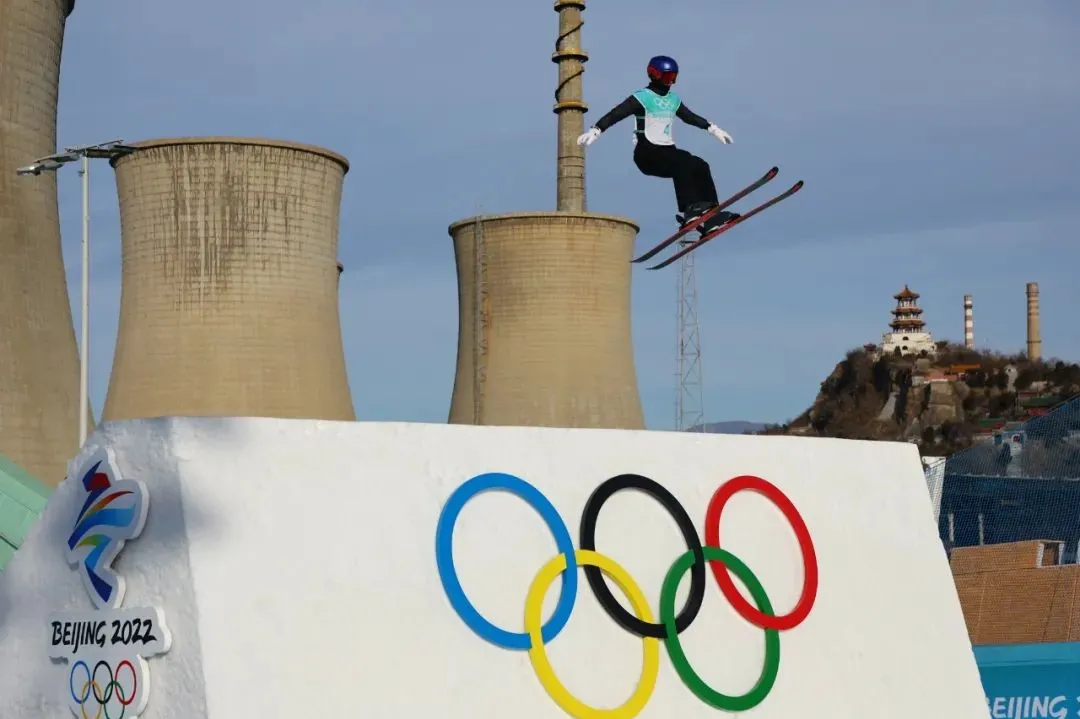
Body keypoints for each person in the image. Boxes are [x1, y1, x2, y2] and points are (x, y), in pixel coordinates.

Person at [577, 55, 738, 234]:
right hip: (646, 154)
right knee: (682, 162)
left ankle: (711, 213)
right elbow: (616, 114)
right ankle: (689, 210)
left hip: (668, 152)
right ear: (654, 75)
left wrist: (713, 128)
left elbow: (689, 117)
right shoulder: (642, 97)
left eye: (673, 78)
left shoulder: (673, 99)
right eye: (667, 77)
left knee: (700, 165)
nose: (670, 82)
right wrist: (596, 130)